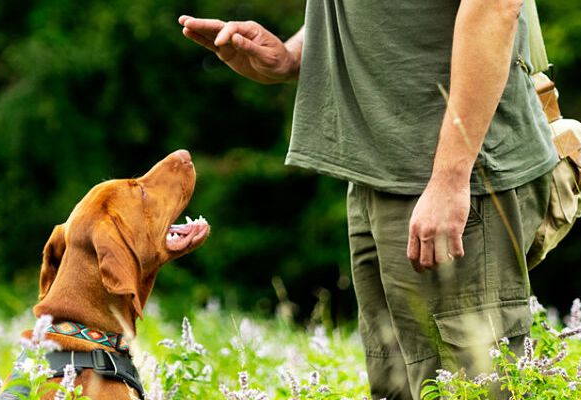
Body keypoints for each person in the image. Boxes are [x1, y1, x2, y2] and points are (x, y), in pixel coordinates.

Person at [179, 1, 558, 398]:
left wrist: (449, 179)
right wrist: (294, 55)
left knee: (472, 388)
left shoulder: (449, 179)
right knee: (399, 388)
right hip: (381, 174)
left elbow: (494, 7)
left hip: (448, 176)